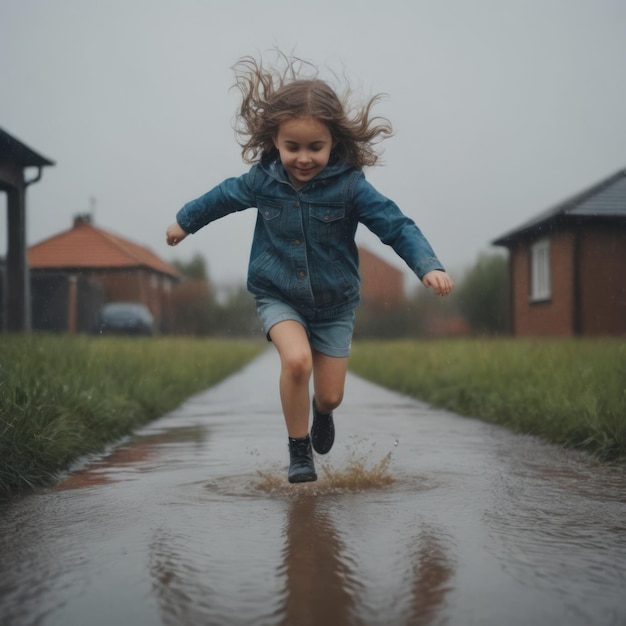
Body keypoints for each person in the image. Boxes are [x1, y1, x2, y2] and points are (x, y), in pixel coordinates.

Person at [166, 54, 454, 484]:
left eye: (315, 148)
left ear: (333, 143)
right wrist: (184, 222)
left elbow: (395, 225)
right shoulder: (263, 181)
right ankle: (298, 452)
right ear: (276, 142)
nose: (303, 158)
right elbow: (222, 197)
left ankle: (322, 414)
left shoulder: (350, 186)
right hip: (278, 293)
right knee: (297, 362)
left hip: (335, 304)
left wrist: (426, 265)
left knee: (332, 395)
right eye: (292, 147)